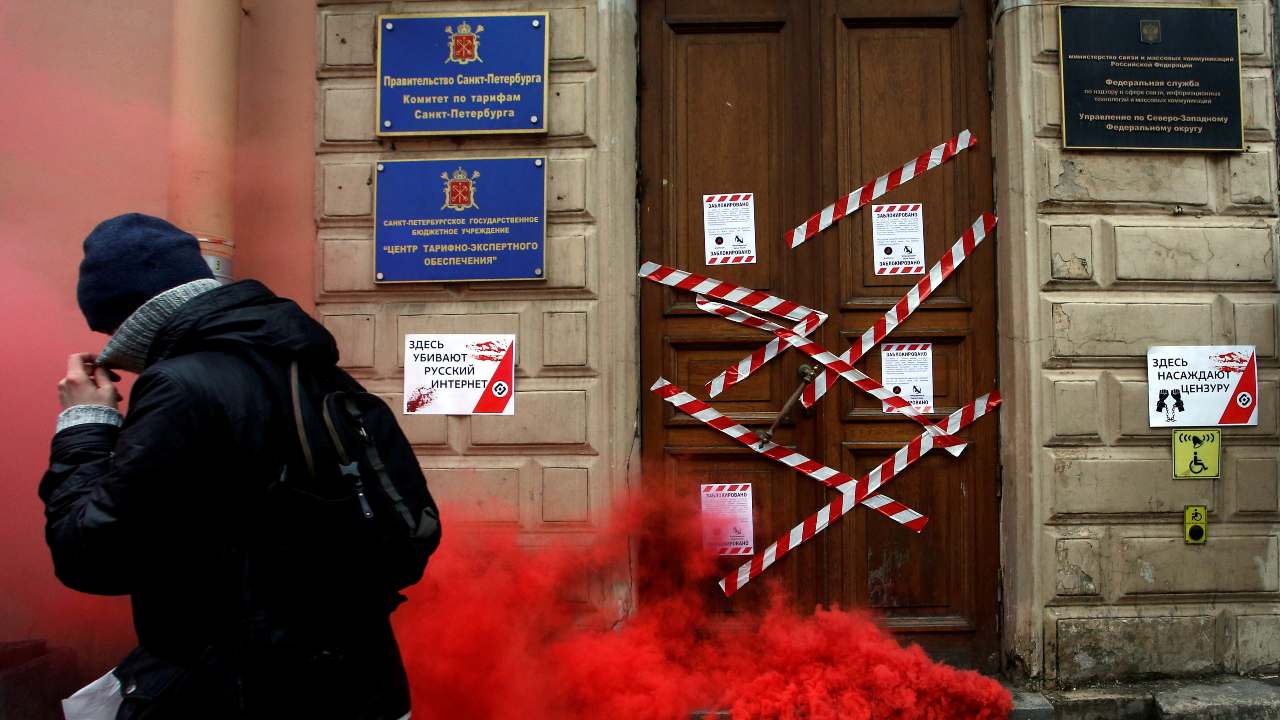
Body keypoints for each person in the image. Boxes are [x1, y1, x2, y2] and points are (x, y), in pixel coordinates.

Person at [41, 213, 435, 719]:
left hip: (246, 689)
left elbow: (91, 555)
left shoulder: (180, 387)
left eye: (107, 327)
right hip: (362, 681)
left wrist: (85, 423)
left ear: (128, 314)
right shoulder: (312, 368)